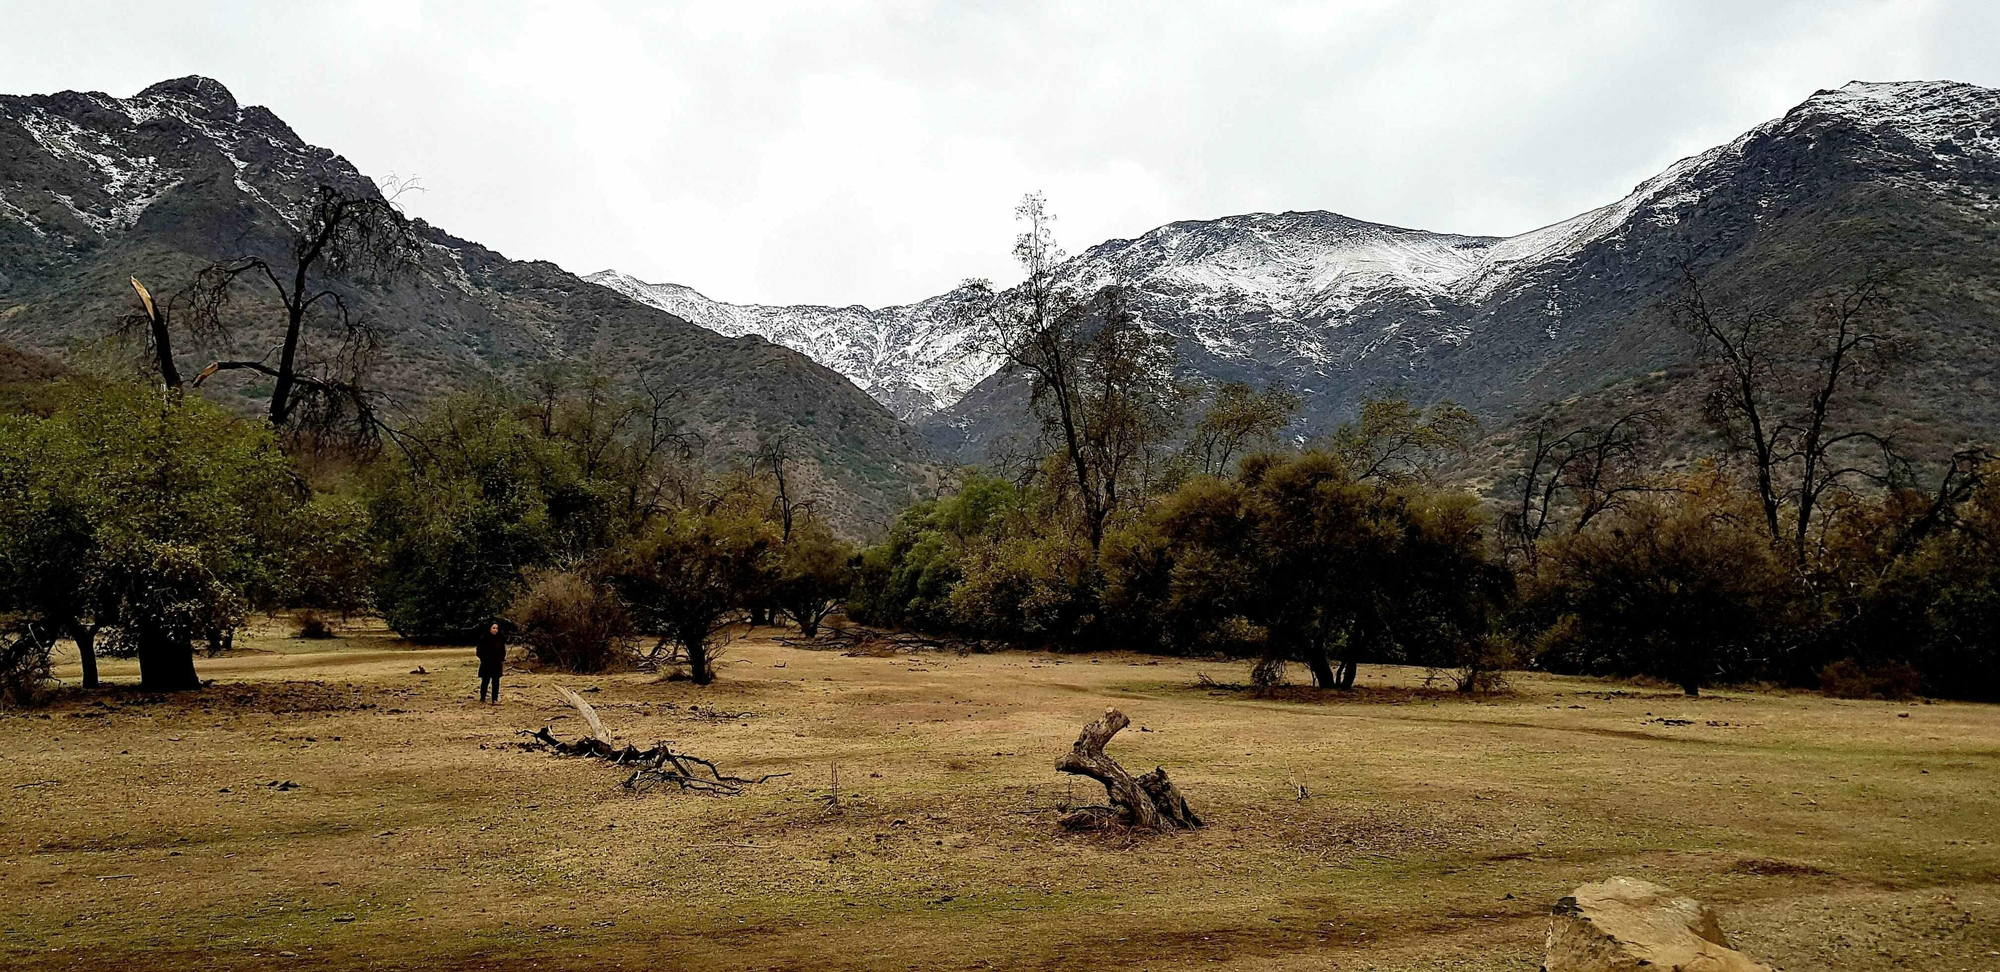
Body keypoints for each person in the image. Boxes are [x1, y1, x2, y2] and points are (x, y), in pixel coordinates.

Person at [476, 621, 507, 703]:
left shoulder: (500, 639)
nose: (495, 630)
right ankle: (482, 697)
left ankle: (495, 699)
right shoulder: (484, 638)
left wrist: (501, 658)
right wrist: (483, 659)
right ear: (489, 629)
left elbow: (503, 651)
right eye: (493, 628)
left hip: (497, 663)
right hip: (486, 663)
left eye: (497, 628)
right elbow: (479, 651)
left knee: (496, 681)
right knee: (485, 680)